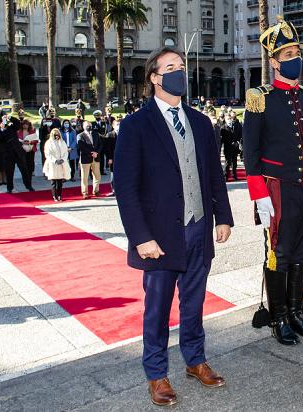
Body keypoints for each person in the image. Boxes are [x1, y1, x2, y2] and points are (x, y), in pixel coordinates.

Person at [114, 46, 234, 406]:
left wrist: (223, 215)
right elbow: (125, 186)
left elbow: (214, 173)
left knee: (194, 303)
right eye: (170, 67)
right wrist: (141, 238)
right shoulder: (135, 125)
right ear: (154, 77)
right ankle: (156, 373)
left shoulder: (200, 121)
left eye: (181, 66)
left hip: (199, 227)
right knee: (158, 308)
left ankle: (195, 361)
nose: (179, 71)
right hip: (160, 236)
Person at [243, 17, 303, 346]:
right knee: (279, 252)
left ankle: (296, 311)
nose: (295, 57)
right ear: (274, 61)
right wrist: (259, 194)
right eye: (287, 53)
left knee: (302, 251)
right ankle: (278, 317)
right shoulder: (260, 98)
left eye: (296, 51)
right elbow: (249, 151)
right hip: (277, 188)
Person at [0, 115, 35, 193]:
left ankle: (29, 186)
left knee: (24, 170)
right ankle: (9, 188)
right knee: (9, 172)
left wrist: (9, 117)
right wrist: (2, 129)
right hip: (8, 154)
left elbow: (18, 123)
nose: (4, 123)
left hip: (18, 152)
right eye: (2, 122)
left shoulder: (11, 127)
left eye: (4, 122)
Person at [43, 128, 71, 201]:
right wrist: (55, 160)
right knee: (53, 182)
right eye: (55, 134)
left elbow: (66, 152)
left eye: (57, 134)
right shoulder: (48, 143)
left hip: (61, 163)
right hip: (53, 164)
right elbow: (47, 154)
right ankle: (54, 196)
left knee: (60, 182)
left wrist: (63, 159)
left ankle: (59, 195)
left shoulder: (62, 142)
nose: (56, 136)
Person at [77, 121, 102, 199]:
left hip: (96, 158)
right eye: (87, 126)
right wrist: (91, 153)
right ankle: (85, 192)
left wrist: (96, 152)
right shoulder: (80, 135)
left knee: (97, 175)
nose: (89, 127)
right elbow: (81, 146)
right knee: (85, 177)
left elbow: (100, 144)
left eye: (90, 125)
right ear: (84, 126)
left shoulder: (95, 134)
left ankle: (96, 190)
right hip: (86, 158)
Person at [220, 112, 242, 180]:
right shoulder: (223, 128)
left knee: (234, 162)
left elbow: (239, 134)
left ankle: (234, 175)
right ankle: (226, 176)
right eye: (227, 119)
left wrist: (237, 142)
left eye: (230, 118)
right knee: (228, 162)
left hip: (235, 147)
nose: (229, 120)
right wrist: (229, 143)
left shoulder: (235, 126)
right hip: (228, 147)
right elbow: (223, 139)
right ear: (225, 119)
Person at [93, 110, 110, 176]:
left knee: (102, 157)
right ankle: (96, 170)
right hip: (96, 143)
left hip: (103, 142)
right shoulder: (93, 124)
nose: (97, 117)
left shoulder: (104, 123)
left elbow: (107, 131)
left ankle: (102, 170)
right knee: (97, 157)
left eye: (98, 115)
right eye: (96, 116)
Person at [104, 118, 118, 195]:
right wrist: (109, 158)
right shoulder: (109, 135)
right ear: (113, 126)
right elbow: (107, 148)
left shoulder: (124, 133)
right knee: (113, 175)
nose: (119, 126)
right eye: (117, 125)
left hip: (123, 159)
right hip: (113, 158)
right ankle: (113, 190)